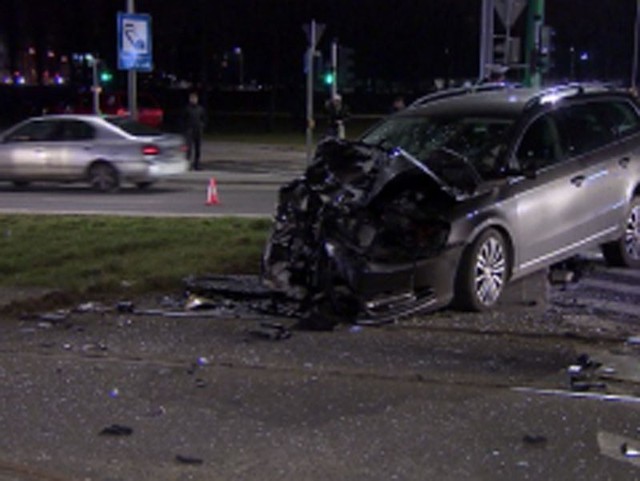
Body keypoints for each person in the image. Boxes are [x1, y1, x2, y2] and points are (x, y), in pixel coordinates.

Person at [183, 92, 207, 170]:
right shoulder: (187, 109)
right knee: (188, 149)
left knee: (198, 148)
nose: (193, 100)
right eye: (192, 99)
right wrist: (185, 128)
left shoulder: (200, 109)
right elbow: (182, 119)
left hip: (198, 130)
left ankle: (197, 165)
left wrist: (202, 126)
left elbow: (204, 118)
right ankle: (187, 165)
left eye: (195, 99)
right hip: (189, 130)